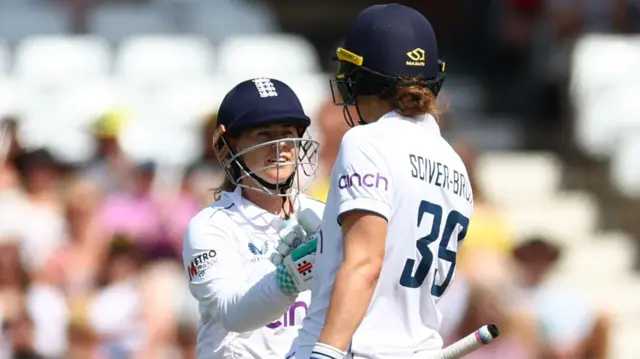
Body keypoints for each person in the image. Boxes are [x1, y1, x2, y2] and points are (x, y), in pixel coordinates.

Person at [289, 4, 474, 359]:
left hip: (355, 348)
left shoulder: (367, 142)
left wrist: (325, 353)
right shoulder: (455, 163)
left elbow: (366, 264)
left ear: (363, 78)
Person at [182, 77, 324, 359]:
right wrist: (291, 277)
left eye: (287, 133)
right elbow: (232, 313)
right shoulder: (211, 226)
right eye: (264, 135)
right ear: (229, 146)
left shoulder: (323, 213)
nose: (280, 146)